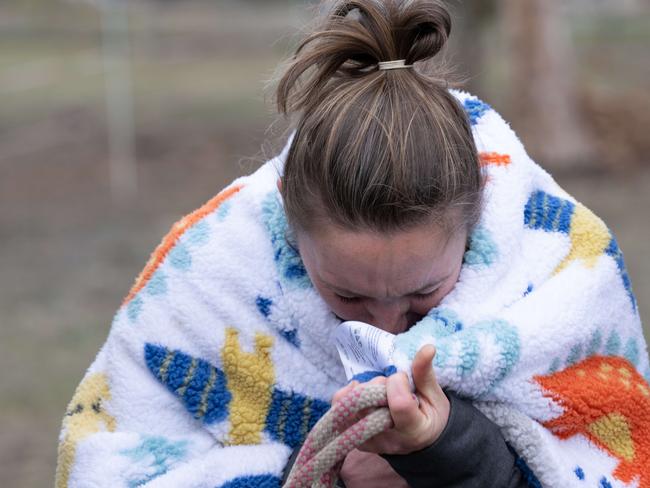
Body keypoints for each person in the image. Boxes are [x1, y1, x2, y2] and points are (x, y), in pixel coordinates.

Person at [56, 0, 647, 487]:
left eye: (423, 293)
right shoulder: (202, 283)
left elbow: (613, 465)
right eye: (347, 295)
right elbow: (108, 462)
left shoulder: (561, 269)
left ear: (479, 226)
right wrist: (318, 469)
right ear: (289, 234)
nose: (389, 326)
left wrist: (449, 446)